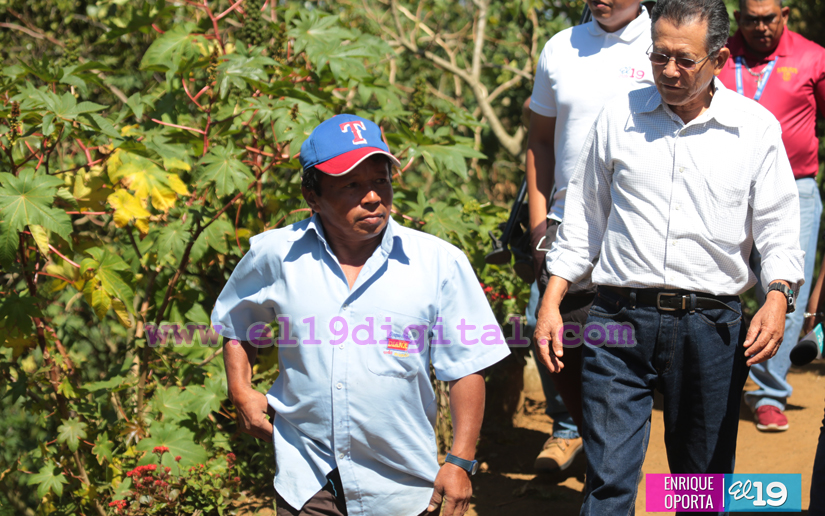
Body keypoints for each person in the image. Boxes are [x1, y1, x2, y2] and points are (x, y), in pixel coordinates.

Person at [534, 0, 804, 512]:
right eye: (659, 57)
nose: (670, 71)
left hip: (712, 327)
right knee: (608, 480)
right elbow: (585, 218)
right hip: (616, 320)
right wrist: (552, 298)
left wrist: (779, 294)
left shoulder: (755, 129)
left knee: (700, 489)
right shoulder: (620, 116)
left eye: (686, 59)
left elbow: (778, 228)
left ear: (720, 60)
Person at [211, 114, 510, 516]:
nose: (372, 196)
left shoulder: (439, 263)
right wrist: (241, 388)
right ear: (312, 194)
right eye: (351, 185)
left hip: (403, 487)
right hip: (307, 479)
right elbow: (237, 322)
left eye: (380, 181)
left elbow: (467, 365)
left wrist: (459, 461)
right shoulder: (276, 255)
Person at [526, 0, 654, 473]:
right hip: (566, 233)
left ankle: (618, 481)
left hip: (640, 232)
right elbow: (539, 139)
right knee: (570, 361)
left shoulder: (665, 45)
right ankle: (600, 468)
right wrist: (541, 228)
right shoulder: (561, 47)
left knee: (637, 374)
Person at [717, 0, 825, 433]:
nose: (760, 28)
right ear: (737, 18)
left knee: (784, 287)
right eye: (750, 20)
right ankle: (711, 376)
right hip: (722, 186)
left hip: (795, 186)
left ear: (785, 14)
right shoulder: (720, 55)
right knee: (717, 280)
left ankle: (768, 393)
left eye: (769, 19)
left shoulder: (813, 57)